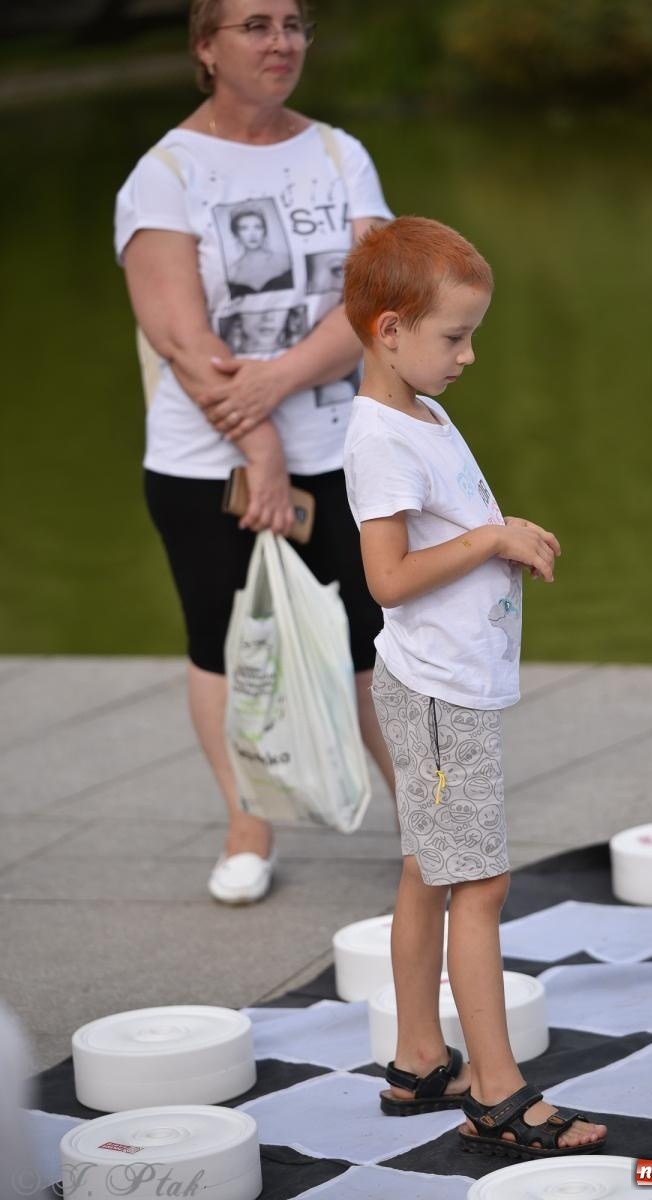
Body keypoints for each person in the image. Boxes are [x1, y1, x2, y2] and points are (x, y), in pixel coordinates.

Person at [114, 0, 395, 905]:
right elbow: (180, 335)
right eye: (254, 25)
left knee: (375, 644)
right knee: (226, 646)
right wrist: (261, 442)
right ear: (205, 47)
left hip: (343, 449)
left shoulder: (339, 156)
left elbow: (374, 298)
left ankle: (432, 832)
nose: (281, 42)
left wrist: (276, 388)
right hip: (206, 467)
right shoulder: (165, 174)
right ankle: (248, 823)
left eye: (294, 25)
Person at [342, 217, 608, 1158]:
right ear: (388, 330)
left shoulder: (419, 408)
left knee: (429, 866)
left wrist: (500, 527)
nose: (468, 353)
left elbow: (448, 522)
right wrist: (490, 541)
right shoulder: (380, 438)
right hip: (442, 698)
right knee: (480, 884)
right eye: (453, 336)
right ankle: (498, 1094)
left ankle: (419, 1056)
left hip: (446, 689)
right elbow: (385, 578)